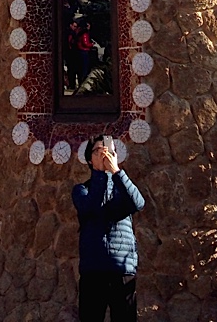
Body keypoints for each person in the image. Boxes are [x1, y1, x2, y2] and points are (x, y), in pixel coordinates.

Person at [71, 136, 145, 322]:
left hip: (122, 269)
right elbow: (91, 207)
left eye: (110, 151)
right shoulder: (81, 190)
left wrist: (116, 171)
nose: (104, 155)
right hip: (93, 270)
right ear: (89, 159)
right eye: (98, 151)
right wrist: (99, 174)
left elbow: (138, 203)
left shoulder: (122, 188)